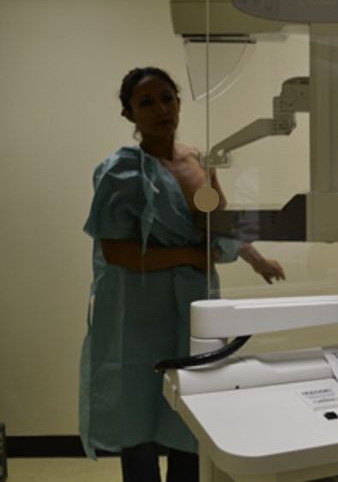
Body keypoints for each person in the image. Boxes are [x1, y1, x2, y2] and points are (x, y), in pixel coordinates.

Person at [79, 66, 285, 482]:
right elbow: (116, 250)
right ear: (128, 114)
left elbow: (218, 225)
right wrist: (187, 256)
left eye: (166, 98)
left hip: (194, 303)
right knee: (137, 408)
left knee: (193, 409)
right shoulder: (121, 173)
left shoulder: (200, 162)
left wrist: (255, 258)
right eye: (146, 102)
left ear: (178, 102)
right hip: (139, 309)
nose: (160, 109)